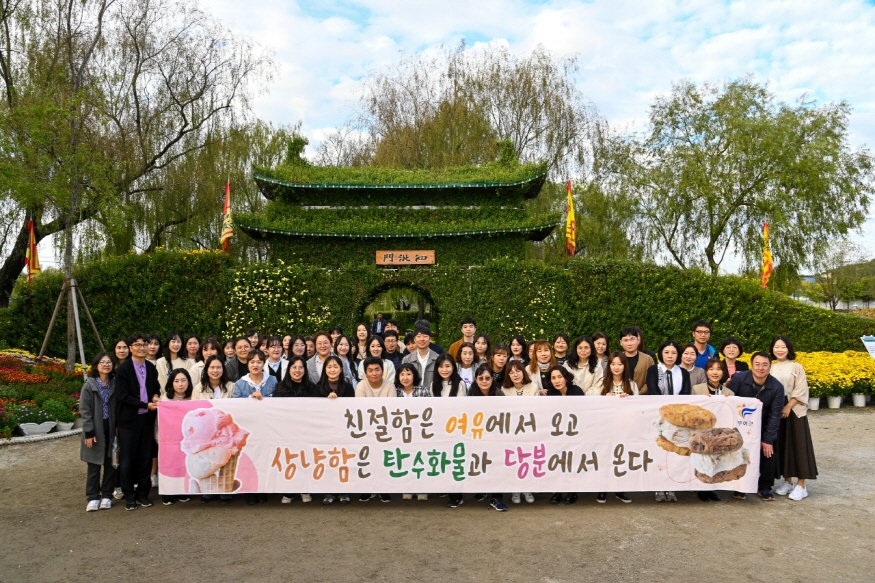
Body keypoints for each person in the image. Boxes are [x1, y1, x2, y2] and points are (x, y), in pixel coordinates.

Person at [726, 352, 784, 501]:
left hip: (764, 424)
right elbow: (728, 400)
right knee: (740, 452)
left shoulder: (777, 387)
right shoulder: (739, 379)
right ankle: (740, 486)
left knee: (768, 452)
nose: (761, 368)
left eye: (765, 365)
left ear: (770, 367)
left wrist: (767, 439)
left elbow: (775, 414)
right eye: (757, 364)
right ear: (751, 365)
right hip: (739, 424)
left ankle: (765, 486)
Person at [114, 333, 160, 510]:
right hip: (128, 421)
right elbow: (123, 396)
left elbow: (156, 387)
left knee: (145, 458)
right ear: (131, 348)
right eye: (138, 345)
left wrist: (155, 396)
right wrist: (144, 404)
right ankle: (129, 496)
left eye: (144, 344)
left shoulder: (150, 367)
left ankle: (143, 493)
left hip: (146, 420)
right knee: (127, 459)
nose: (142, 348)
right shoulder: (123, 369)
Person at [770, 336, 818, 501]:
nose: (780, 350)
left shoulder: (796, 367)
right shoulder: (770, 367)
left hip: (795, 411)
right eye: (777, 347)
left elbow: (801, 389)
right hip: (776, 410)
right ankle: (788, 481)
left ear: (789, 349)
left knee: (798, 445)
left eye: (783, 347)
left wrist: (789, 406)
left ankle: (801, 485)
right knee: (783, 445)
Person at [645, 341, 690, 503]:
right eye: (666, 352)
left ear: (678, 355)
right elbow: (653, 391)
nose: (670, 356)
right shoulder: (653, 370)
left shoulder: (683, 372)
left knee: (674, 452)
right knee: (659, 451)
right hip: (658, 417)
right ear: (661, 354)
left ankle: (671, 486)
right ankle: (658, 487)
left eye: (673, 353)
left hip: (677, 419)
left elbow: (686, 393)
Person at [273, 355, 319, 504]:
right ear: (289, 369)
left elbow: (317, 410)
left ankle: (305, 489)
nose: (297, 370)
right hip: (286, 432)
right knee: (288, 460)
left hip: (306, 432)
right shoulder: (280, 387)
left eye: (300, 367)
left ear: (305, 370)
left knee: (305, 460)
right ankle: (289, 492)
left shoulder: (312, 388)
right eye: (294, 367)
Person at [596, 352, 636, 504]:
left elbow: (638, 407)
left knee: (621, 457)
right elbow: (590, 401)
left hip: (624, 428)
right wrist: (604, 398)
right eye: (613, 364)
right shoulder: (601, 383)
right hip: (605, 427)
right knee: (605, 457)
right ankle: (602, 489)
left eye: (620, 364)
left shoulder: (631, 384)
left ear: (625, 366)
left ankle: (620, 489)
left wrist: (628, 400)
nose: (616, 367)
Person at [355, 357, 397, 504]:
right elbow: (361, 409)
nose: (374, 373)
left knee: (383, 458)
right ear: (365, 373)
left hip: (386, 427)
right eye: (370, 370)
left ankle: (383, 489)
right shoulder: (361, 385)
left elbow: (391, 408)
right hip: (366, 428)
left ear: (382, 371)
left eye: (377, 370)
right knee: (367, 458)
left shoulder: (389, 385)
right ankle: (367, 489)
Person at [468, 365, 508, 512]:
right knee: (480, 463)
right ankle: (484, 489)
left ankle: (496, 497)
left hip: (496, 435)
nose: (484, 381)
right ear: (476, 379)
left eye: (487, 378)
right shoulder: (471, 395)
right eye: (481, 378)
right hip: (477, 435)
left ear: (492, 379)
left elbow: (504, 414)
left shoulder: (499, 393)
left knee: (496, 465)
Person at [315, 355, 355, 505]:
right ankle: (329, 492)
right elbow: (314, 409)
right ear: (325, 369)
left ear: (341, 369)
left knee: (343, 460)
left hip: (343, 429)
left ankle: (344, 491)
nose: (332, 370)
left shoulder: (348, 387)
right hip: (325, 430)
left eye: (335, 367)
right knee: (328, 460)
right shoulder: (318, 387)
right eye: (329, 367)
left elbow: (352, 408)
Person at [80, 353, 117, 512]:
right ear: (96, 365)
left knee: (110, 463)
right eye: (102, 362)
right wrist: (89, 432)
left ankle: (107, 495)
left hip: (111, 427)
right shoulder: (89, 385)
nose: (106, 365)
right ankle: (93, 497)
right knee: (94, 465)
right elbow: (85, 410)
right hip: (95, 428)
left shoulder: (114, 384)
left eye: (109, 362)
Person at [545, 365, 584, 504]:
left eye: (559, 377)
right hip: (558, 434)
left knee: (572, 461)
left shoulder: (576, 390)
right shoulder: (550, 393)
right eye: (553, 378)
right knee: (558, 461)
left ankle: (572, 491)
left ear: (566, 378)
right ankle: (557, 490)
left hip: (575, 432)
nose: (557, 381)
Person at [501, 361, 537, 504]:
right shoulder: (504, 390)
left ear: (523, 371)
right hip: (512, 430)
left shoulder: (533, 387)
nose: (515, 375)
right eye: (511, 372)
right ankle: (515, 489)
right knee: (514, 460)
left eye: (518, 371)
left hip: (530, 428)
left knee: (528, 459)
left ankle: (527, 488)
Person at [158, 368, 195, 505]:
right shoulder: (165, 399)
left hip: (188, 439)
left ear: (189, 382)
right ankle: (168, 492)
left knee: (184, 465)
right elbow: (160, 422)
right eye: (176, 381)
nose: (180, 384)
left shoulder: (194, 397)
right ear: (171, 383)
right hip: (170, 439)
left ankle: (183, 491)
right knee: (170, 465)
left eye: (184, 380)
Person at [401, 324, 439, 389]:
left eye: (425, 336)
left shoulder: (437, 358)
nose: (422, 339)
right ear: (414, 339)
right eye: (418, 336)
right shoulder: (407, 359)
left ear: (430, 339)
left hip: (432, 394)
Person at [619, 327, 653, 394]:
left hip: (642, 397)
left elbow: (650, 381)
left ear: (638, 340)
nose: (629, 343)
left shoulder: (648, 359)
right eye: (626, 340)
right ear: (621, 342)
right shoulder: (616, 359)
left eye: (632, 339)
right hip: (620, 397)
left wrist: (638, 394)